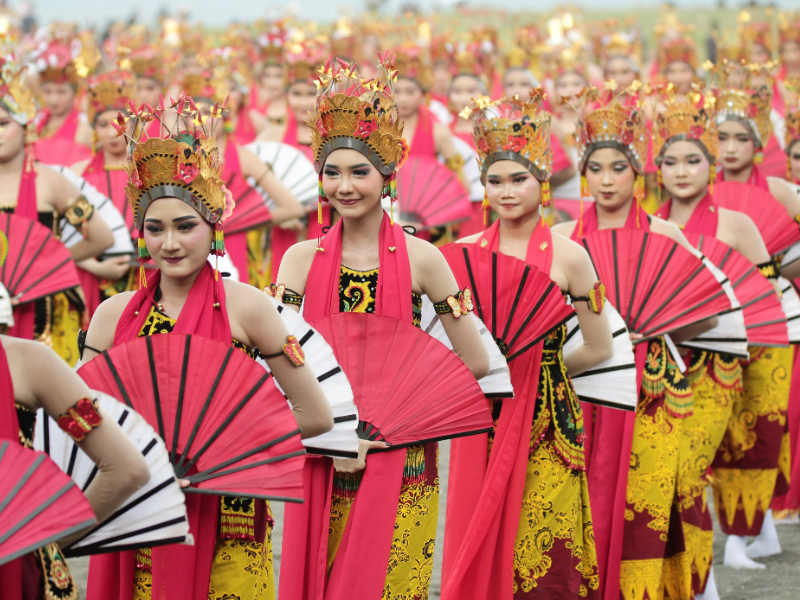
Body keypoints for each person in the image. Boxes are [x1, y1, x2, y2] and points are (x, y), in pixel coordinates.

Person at [81, 98, 333, 600]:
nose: (170, 243)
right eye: (155, 229)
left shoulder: (250, 308)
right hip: (141, 504)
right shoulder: (112, 315)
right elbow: (82, 414)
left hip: (231, 509)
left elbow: (315, 415)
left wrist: (220, 449)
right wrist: (138, 456)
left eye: (185, 226)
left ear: (214, 224)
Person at [275, 55, 489, 600]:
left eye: (359, 172)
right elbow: (281, 360)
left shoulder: (424, 258)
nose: (344, 186)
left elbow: (475, 360)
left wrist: (406, 412)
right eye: (332, 172)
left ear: (387, 173)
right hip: (324, 450)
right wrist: (332, 429)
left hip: (403, 451)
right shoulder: (298, 260)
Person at [442, 90, 613, 599]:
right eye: (495, 181)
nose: (507, 191)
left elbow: (599, 347)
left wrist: (548, 369)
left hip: (550, 418)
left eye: (519, 179)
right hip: (482, 415)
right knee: (483, 526)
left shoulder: (570, 256)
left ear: (542, 181)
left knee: (545, 538)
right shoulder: (461, 255)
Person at [552, 90, 718, 600]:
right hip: (582, 382)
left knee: (650, 497)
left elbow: (707, 313)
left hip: (653, 387)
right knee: (583, 493)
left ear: (637, 172)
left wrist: (656, 328)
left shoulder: (666, 232)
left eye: (618, 168)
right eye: (595, 168)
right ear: (583, 173)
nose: (606, 180)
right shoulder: (561, 236)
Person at [651, 86, 779, 594]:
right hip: (660, 369)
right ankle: (693, 581)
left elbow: (765, 296)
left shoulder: (737, 224)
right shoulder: (649, 224)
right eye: (671, 162)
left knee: (692, 469)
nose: (682, 172)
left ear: (712, 165)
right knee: (668, 476)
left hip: (719, 369)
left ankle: (716, 565)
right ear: (656, 169)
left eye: (693, 160)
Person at [0, 292, 150, 597]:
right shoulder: (28, 362)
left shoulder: (29, 363)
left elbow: (127, 470)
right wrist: (44, 546)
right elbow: (127, 469)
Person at [710, 64, 798, 568]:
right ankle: (750, 533)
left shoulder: (781, 192)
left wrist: (771, 264)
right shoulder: (694, 194)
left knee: (764, 425)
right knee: (726, 428)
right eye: (721, 137)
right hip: (715, 323)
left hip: (773, 317)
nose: (730, 147)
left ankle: (751, 531)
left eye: (740, 137)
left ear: (758, 141)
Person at [0, 56, 113, 364]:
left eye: (3, 124)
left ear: (25, 126)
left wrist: (51, 262)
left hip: (47, 310)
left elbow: (101, 237)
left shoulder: (51, 182)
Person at [179, 69, 305, 284]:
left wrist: (247, 221)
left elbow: (293, 208)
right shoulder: (177, 157)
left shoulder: (243, 157)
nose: (200, 120)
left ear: (225, 117)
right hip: (187, 245)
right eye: (192, 115)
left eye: (209, 112)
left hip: (233, 244)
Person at [71, 70, 138, 316]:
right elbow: (64, 238)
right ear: (93, 128)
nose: (112, 133)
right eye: (103, 124)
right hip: (91, 274)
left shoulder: (152, 170)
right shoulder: (76, 174)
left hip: (146, 273)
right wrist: (97, 267)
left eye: (120, 122)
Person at [32, 38, 93, 164]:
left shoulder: (85, 126)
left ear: (75, 93)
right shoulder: (34, 123)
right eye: (47, 91)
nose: (53, 100)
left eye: (61, 92)